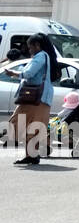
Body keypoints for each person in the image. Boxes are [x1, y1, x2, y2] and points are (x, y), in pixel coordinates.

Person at [11, 33, 57, 165]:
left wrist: (14, 73)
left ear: (37, 45)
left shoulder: (40, 56)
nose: (29, 50)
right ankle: (32, 154)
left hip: (34, 97)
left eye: (30, 47)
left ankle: (35, 152)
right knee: (33, 126)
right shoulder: (45, 56)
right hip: (41, 97)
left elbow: (29, 73)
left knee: (18, 122)